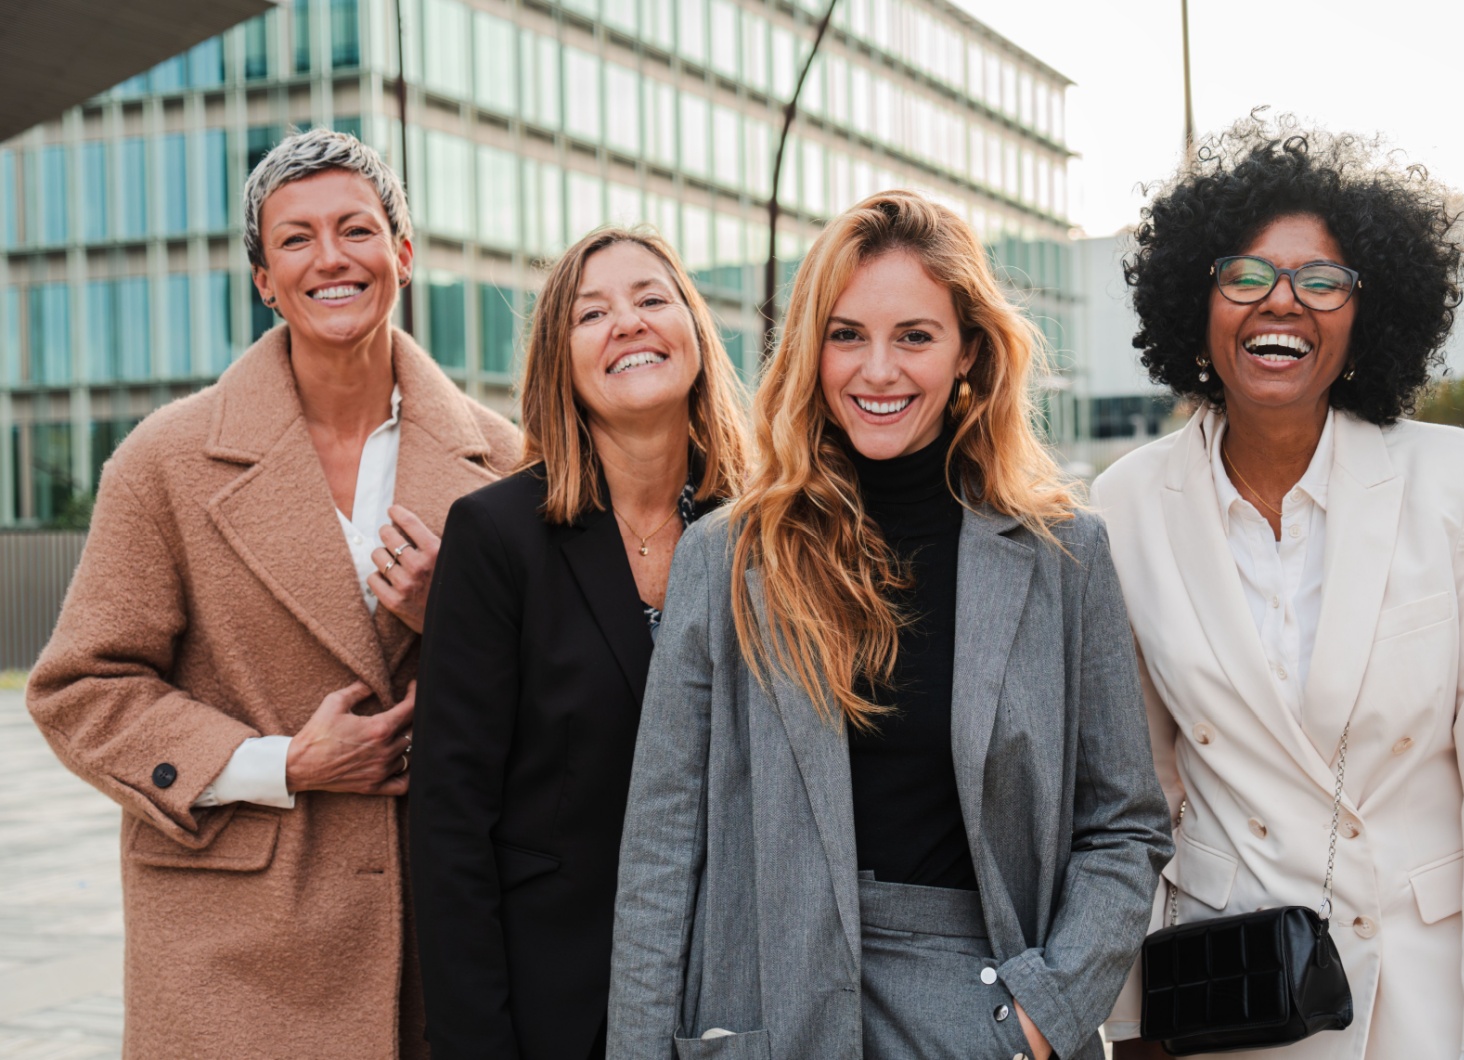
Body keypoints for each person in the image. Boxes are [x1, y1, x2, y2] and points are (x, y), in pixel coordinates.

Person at [606, 191, 1171, 1060]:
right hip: (770, 1009)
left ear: (969, 352)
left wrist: (1042, 1018)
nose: (878, 371)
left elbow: (1124, 824)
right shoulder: (726, 556)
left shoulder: (1065, 557)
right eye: (846, 335)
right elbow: (661, 846)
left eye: (914, 335)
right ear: (809, 350)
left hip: (980, 1017)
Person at [25, 128, 521, 1059]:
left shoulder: (507, 464)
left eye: (356, 230)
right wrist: (282, 763)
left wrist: (448, 619)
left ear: (403, 255)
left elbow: (572, 699)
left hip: (440, 937)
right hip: (230, 951)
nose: (330, 258)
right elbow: (81, 690)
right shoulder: (164, 460)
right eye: (295, 239)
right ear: (263, 280)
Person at [1095, 117, 1464, 1059]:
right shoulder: (1127, 503)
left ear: (1367, 316)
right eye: (1245, 276)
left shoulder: (1458, 483)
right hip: (1234, 993)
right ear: (1199, 302)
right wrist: (1135, 1022)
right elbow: (1136, 794)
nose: (1283, 303)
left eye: (1322, 281)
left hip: (1422, 993)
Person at [408, 226, 749, 1059]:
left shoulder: (766, 531)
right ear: (560, 364)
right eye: (592, 313)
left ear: (696, 334)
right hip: (554, 1006)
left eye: (652, 299)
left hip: (738, 997)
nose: (628, 323)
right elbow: (450, 825)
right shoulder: (494, 537)